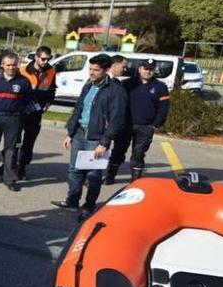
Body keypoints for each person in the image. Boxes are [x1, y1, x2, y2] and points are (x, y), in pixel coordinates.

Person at [52, 54, 128, 221]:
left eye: (96, 70)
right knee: (74, 170)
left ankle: (88, 206)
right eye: (90, 69)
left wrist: (104, 143)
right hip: (79, 134)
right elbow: (78, 108)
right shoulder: (88, 85)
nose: (92, 73)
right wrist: (70, 133)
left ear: (106, 70)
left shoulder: (116, 91)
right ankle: (72, 201)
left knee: (94, 175)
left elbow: (117, 120)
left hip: (96, 139)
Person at [109, 58, 170, 182]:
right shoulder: (127, 83)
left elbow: (163, 109)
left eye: (151, 69)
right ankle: (110, 176)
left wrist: (155, 125)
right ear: (140, 69)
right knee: (118, 151)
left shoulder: (161, 87)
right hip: (125, 125)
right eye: (145, 69)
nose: (148, 72)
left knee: (138, 154)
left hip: (146, 127)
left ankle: (135, 181)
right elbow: (118, 104)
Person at [0, 52, 31, 191]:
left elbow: (28, 101)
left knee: (11, 150)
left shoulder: (23, 82)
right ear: (2, 65)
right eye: (8, 65)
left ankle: (9, 179)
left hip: (14, 119)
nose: (11, 67)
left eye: (14, 65)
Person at [17, 46, 57, 180]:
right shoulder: (23, 70)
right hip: (20, 110)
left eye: (48, 59)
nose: (46, 61)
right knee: (14, 140)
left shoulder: (51, 71)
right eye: (43, 59)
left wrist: (48, 103)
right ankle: (8, 165)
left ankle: (22, 167)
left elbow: (52, 89)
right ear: (36, 57)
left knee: (29, 142)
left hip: (36, 112)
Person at [104, 54, 132, 184]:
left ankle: (106, 176)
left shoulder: (118, 83)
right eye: (123, 67)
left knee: (114, 151)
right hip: (104, 124)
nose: (125, 70)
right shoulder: (103, 81)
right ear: (114, 65)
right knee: (98, 150)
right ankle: (92, 177)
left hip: (118, 124)